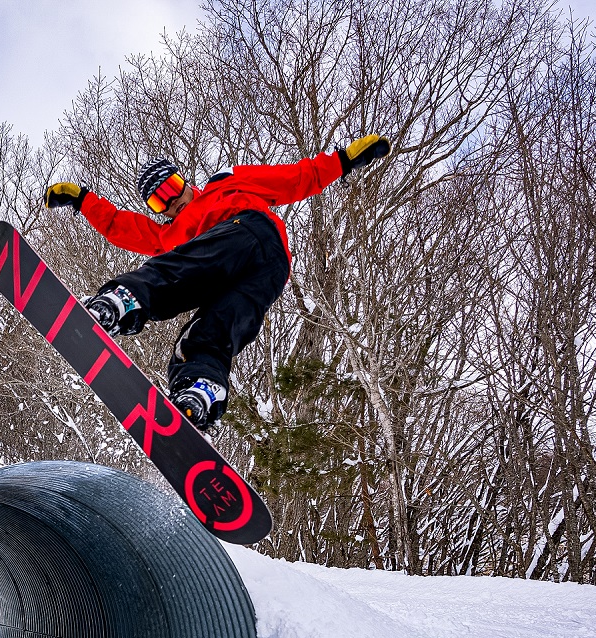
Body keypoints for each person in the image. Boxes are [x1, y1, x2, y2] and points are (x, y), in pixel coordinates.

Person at [43, 135, 391, 430]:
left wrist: (343, 161)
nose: (171, 201)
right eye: (159, 200)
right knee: (213, 330)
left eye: (172, 188)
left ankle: (123, 301)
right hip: (269, 273)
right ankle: (201, 389)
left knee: (174, 270)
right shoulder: (170, 232)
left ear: (184, 181)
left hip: (245, 231)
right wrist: (83, 201)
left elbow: (294, 178)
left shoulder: (225, 184)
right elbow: (121, 227)